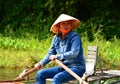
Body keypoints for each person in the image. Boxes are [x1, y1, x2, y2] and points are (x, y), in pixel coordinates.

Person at [34, 14, 86, 84]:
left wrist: (57, 56)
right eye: (63, 23)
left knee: (57, 78)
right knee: (40, 74)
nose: (66, 26)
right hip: (63, 67)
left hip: (77, 68)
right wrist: (41, 63)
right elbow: (50, 53)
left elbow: (74, 53)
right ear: (59, 26)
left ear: (71, 26)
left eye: (68, 23)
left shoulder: (75, 37)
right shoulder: (56, 38)